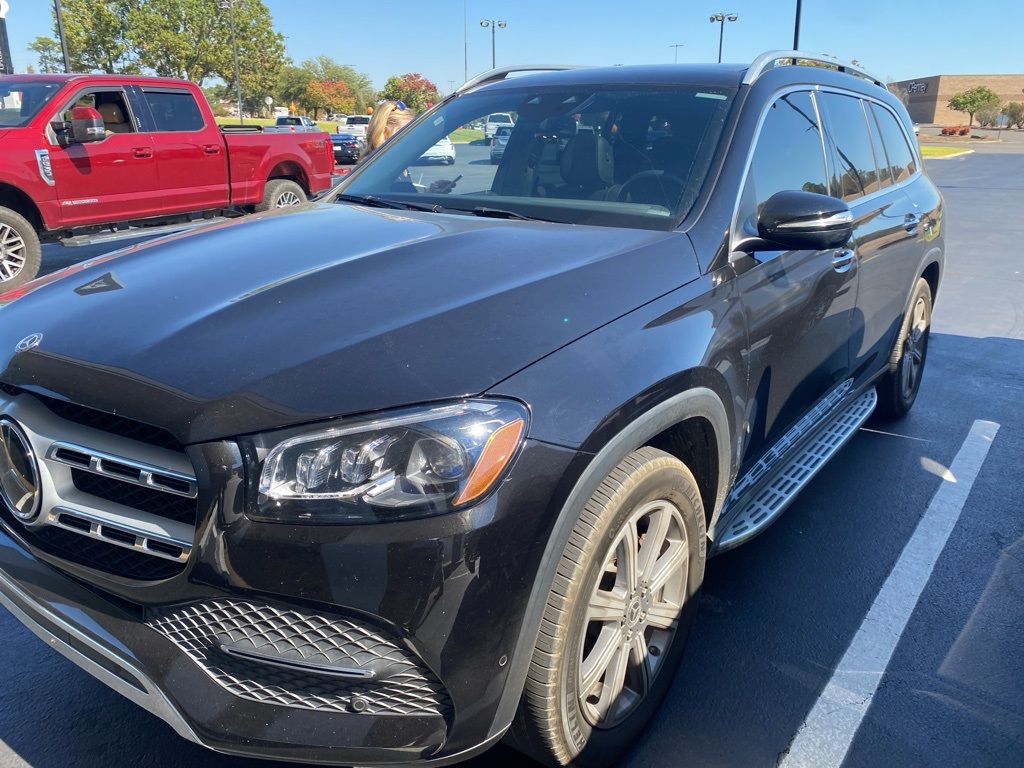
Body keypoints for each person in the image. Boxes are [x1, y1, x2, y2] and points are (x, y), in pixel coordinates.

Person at [360, 100, 457, 193]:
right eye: (405, 133)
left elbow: (403, 201)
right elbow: (389, 205)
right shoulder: (376, 170)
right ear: (386, 133)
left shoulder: (393, 164)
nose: (411, 139)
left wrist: (430, 192)